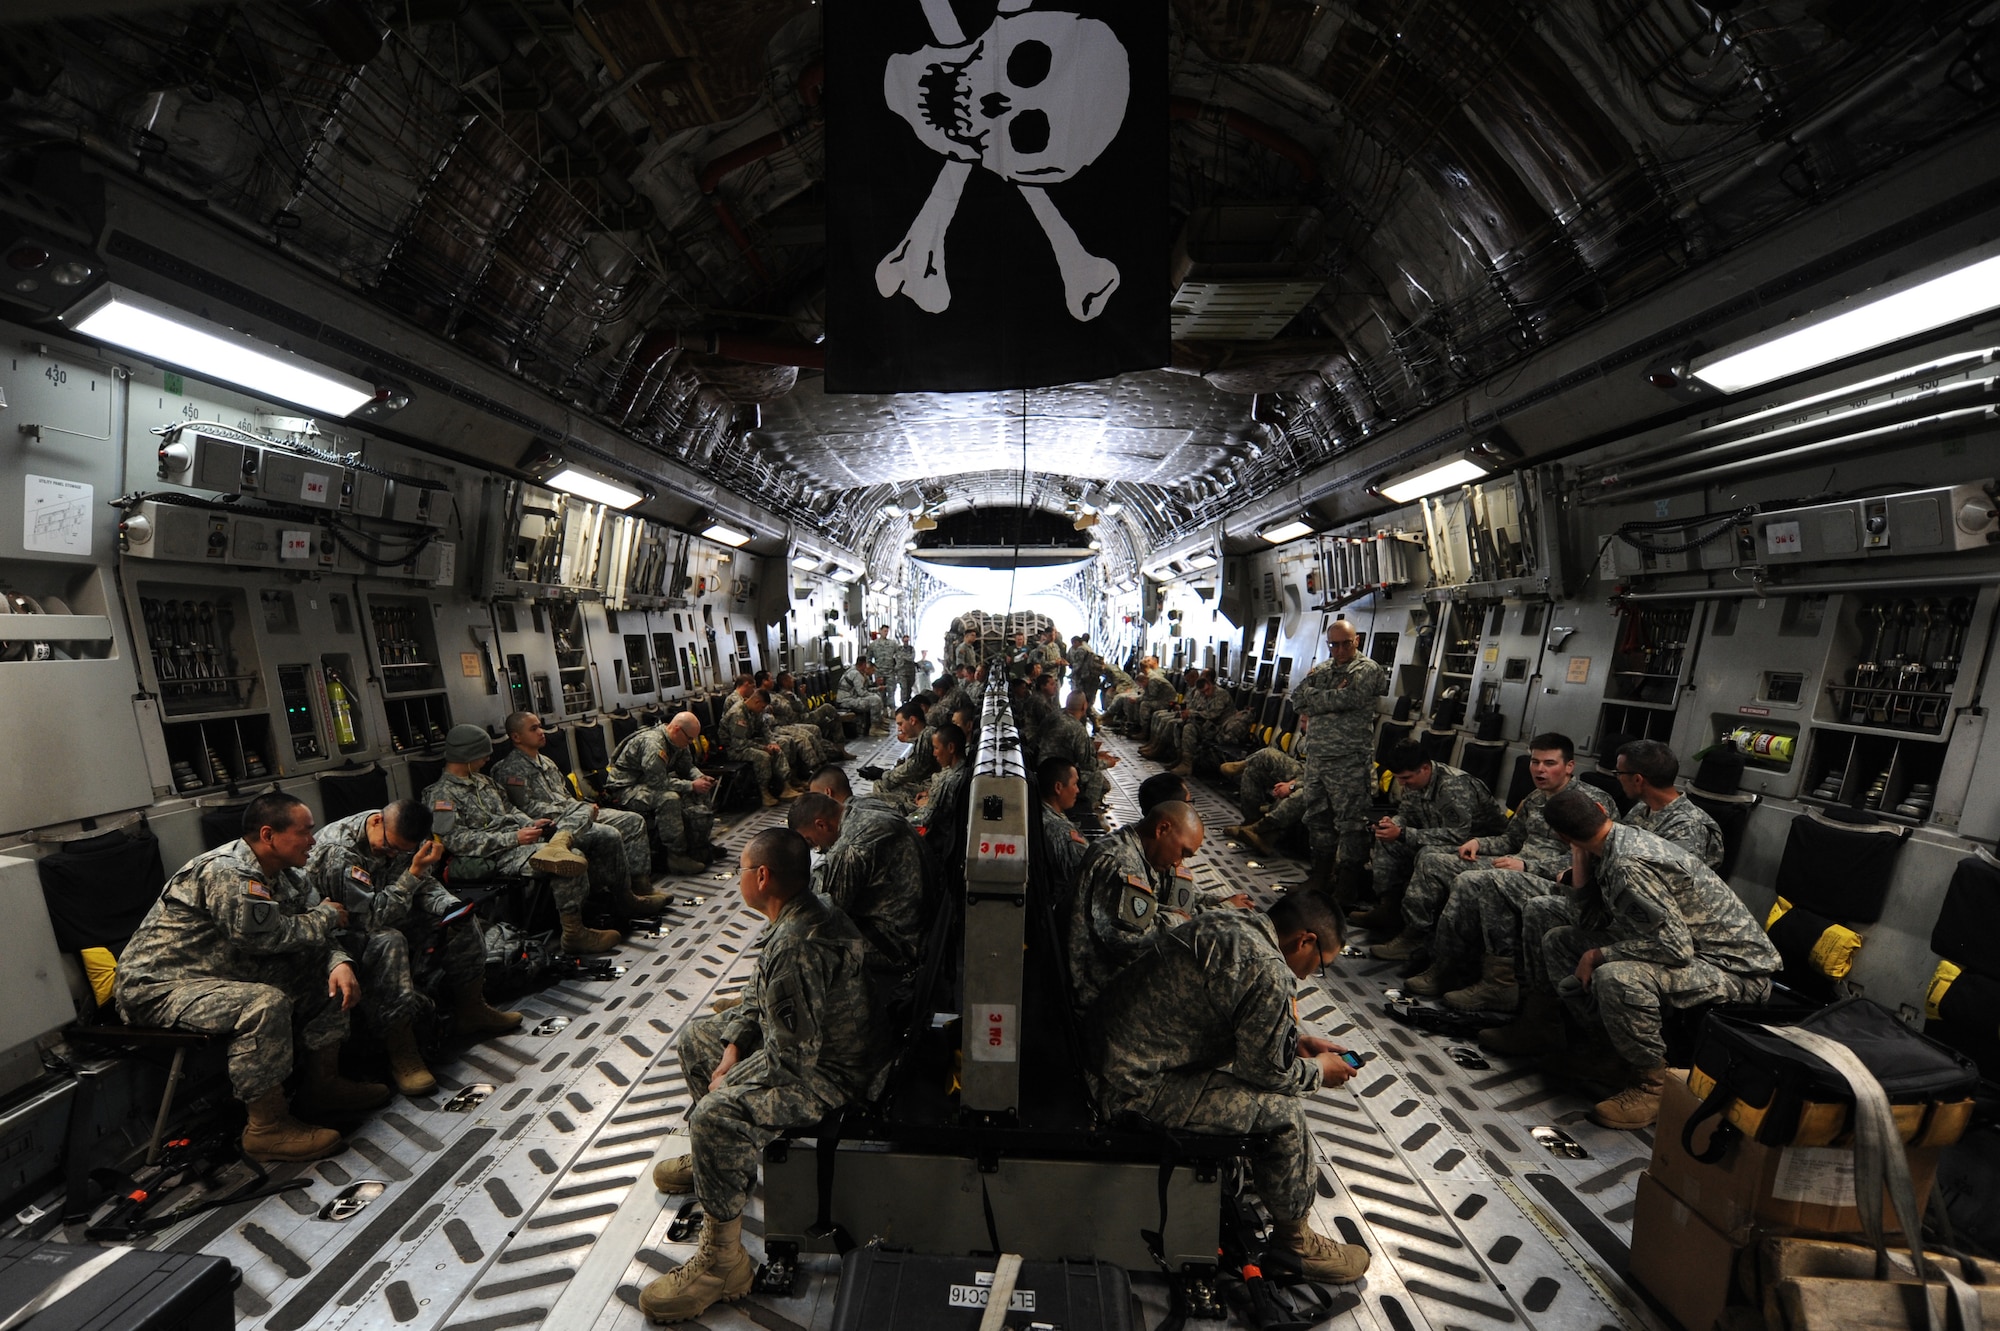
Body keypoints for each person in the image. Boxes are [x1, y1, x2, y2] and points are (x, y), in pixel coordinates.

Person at [640, 830, 882, 1322]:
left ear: (762, 877)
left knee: (714, 1113)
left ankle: (722, 1265)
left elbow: (792, 1060)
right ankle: (719, 1162)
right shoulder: (795, 914)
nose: (740, 880)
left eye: (744, 870)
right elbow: (758, 998)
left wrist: (727, 1085)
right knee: (697, 1041)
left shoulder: (798, 943)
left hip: (833, 1073)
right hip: (809, 1053)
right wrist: (731, 1049)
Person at [1086, 891, 1370, 1283]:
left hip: (1115, 1063)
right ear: (1304, 940)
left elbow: (1237, 1019)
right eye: (1320, 963)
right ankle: (1295, 1246)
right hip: (1130, 1090)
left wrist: (1293, 1044)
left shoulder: (1229, 924)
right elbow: (1268, 1075)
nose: (1309, 974)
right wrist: (1319, 1071)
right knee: (1284, 1114)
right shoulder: (1268, 968)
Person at [114, 792, 384, 1161]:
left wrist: (337, 961)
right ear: (269, 835)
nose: (314, 840)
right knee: (263, 1004)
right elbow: (264, 939)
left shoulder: (289, 875)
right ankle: (266, 1129)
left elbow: (315, 933)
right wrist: (323, 916)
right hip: (161, 987)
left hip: (217, 973)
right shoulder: (228, 871)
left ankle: (323, 1085)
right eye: (304, 832)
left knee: (330, 976)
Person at [1528, 789, 1779, 1130]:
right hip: (1693, 952)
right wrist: (1580, 860)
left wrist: (1599, 954)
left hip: (1736, 970)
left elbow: (1675, 948)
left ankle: (1652, 1086)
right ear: (1603, 810)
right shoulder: (1610, 847)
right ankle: (1607, 1053)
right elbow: (1590, 923)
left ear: (1562, 834)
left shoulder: (1629, 863)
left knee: (1616, 976)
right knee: (1560, 941)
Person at [1478, 740, 1727, 1054]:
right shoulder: (1642, 810)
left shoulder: (1687, 827)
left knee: (1556, 919)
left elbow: (1667, 904)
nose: (1616, 778)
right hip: (1622, 907)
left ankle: (1604, 1045)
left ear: (1637, 779)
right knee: (1542, 909)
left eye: (1619, 773)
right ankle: (1541, 1019)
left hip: (1661, 928)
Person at [307, 800, 522, 1096]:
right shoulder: (340, 852)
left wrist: (451, 907)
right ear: (376, 823)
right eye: (389, 848)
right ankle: (402, 1050)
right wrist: (413, 873)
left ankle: (471, 1008)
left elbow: (424, 884)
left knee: (462, 922)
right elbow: (369, 918)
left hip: (387, 907)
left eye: (401, 852)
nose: (393, 855)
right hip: (341, 931)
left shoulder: (401, 838)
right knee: (389, 940)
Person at [1373, 732, 1576, 964]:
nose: (1539, 769)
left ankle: (1455, 964)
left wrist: (1527, 865)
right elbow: (1510, 839)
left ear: (1569, 766)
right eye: (1535, 762)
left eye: (1549, 763)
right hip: (1513, 860)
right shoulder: (1534, 799)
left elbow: (1584, 858)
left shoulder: (1588, 800)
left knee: (1465, 878)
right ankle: (1413, 933)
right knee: (1432, 861)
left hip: (1545, 875)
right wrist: (1479, 843)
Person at [425, 724, 620, 955]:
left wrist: (530, 824)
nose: (488, 758)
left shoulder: (483, 782)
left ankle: (566, 856)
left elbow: (509, 810)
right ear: (466, 755)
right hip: (494, 856)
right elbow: (456, 841)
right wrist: (514, 838)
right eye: (483, 753)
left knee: (583, 813)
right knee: (571, 859)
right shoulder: (441, 795)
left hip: (522, 841)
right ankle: (575, 933)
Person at [492, 711, 665, 915]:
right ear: (516, 737)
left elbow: (564, 795)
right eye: (534, 728)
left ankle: (639, 885)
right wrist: (578, 809)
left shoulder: (546, 762)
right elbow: (527, 808)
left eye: (540, 726)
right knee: (608, 834)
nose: (541, 732)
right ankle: (619, 896)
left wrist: (581, 807)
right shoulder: (509, 770)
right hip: (555, 823)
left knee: (633, 821)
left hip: (575, 813)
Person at [1064, 801, 1206, 1011]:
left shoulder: (1134, 852)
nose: (1179, 863)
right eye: (1183, 852)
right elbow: (1131, 941)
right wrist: (1180, 922)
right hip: (1098, 996)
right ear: (1162, 829)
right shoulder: (1122, 862)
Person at [1352, 741, 1506, 930]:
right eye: (1398, 778)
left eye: (1406, 778)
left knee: (1428, 854)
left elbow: (1458, 835)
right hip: (1436, 836)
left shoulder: (1453, 787)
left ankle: (1417, 929)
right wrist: (1392, 825)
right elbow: (1407, 815)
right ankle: (1388, 908)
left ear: (1425, 768)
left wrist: (1402, 833)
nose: (1402, 784)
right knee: (1387, 841)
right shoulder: (1413, 784)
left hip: (1475, 846)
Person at [788, 790, 927, 995]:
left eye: (810, 841)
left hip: (899, 945)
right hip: (918, 922)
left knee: (803, 943)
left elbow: (823, 915)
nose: (816, 847)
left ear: (821, 824)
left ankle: (765, 1003)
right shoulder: (865, 807)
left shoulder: (851, 846)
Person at [1287, 619, 1387, 902]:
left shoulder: (1367, 669)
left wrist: (1317, 697)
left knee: (1351, 824)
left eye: (1346, 642)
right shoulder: (1322, 669)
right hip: (1318, 757)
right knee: (1318, 818)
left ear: (1357, 641)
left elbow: (1352, 698)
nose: (1340, 649)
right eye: (1334, 644)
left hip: (1349, 761)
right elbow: (1297, 700)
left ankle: (1346, 887)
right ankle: (1320, 877)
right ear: (1328, 644)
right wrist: (1333, 694)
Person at [603, 711, 719, 869]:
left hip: (648, 783)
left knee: (701, 791)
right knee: (669, 798)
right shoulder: (653, 744)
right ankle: (676, 856)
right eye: (689, 738)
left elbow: (687, 767)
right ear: (677, 729)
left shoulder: (678, 741)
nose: (690, 743)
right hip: (626, 788)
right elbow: (658, 783)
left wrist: (700, 778)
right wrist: (691, 785)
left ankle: (699, 845)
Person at [725, 690, 803, 807]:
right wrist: (764, 748)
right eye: (762, 707)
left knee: (778, 748)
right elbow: (739, 743)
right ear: (757, 702)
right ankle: (765, 792)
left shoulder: (755, 711)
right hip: (734, 749)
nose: (762, 710)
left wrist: (772, 743)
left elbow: (764, 728)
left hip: (748, 742)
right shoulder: (738, 714)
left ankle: (785, 785)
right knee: (763, 756)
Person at [872, 701, 940, 813]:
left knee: (880, 785)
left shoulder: (926, 735)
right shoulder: (926, 734)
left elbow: (913, 769)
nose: (899, 729)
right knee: (883, 783)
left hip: (927, 787)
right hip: (925, 784)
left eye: (900, 724)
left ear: (912, 720)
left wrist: (884, 774)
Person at [1168, 671, 1234, 777]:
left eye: (1207, 690)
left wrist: (1191, 713)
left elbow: (1213, 714)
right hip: (1206, 724)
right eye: (1203, 692)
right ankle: (1180, 758)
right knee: (1179, 724)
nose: (1206, 694)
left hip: (1219, 728)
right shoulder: (1200, 694)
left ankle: (1187, 764)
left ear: (1211, 685)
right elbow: (1195, 708)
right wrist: (1185, 713)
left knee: (1189, 728)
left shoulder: (1221, 694)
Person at [1038, 756, 1090, 888]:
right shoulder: (1062, 831)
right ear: (1058, 787)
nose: (1077, 790)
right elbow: (1087, 878)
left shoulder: (1037, 809)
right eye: (1074, 784)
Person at [911, 722, 970, 834]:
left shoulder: (949, 780)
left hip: (935, 836)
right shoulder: (963, 767)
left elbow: (924, 817)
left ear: (951, 748)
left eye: (936, 748)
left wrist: (904, 820)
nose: (934, 753)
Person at [1224, 744, 1305, 823]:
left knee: (1267, 753)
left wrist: (1292, 786)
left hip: (1307, 779)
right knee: (1252, 771)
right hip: (1304, 770)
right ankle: (1251, 821)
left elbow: (1315, 778)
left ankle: (1243, 764)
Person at [839, 658, 888, 735]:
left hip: (851, 698)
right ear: (863, 665)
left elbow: (864, 689)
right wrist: (874, 695)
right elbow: (862, 693)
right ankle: (874, 728)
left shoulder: (856, 672)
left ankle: (879, 722)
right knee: (875, 700)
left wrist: (877, 689)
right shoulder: (856, 674)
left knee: (876, 696)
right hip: (846, 701)